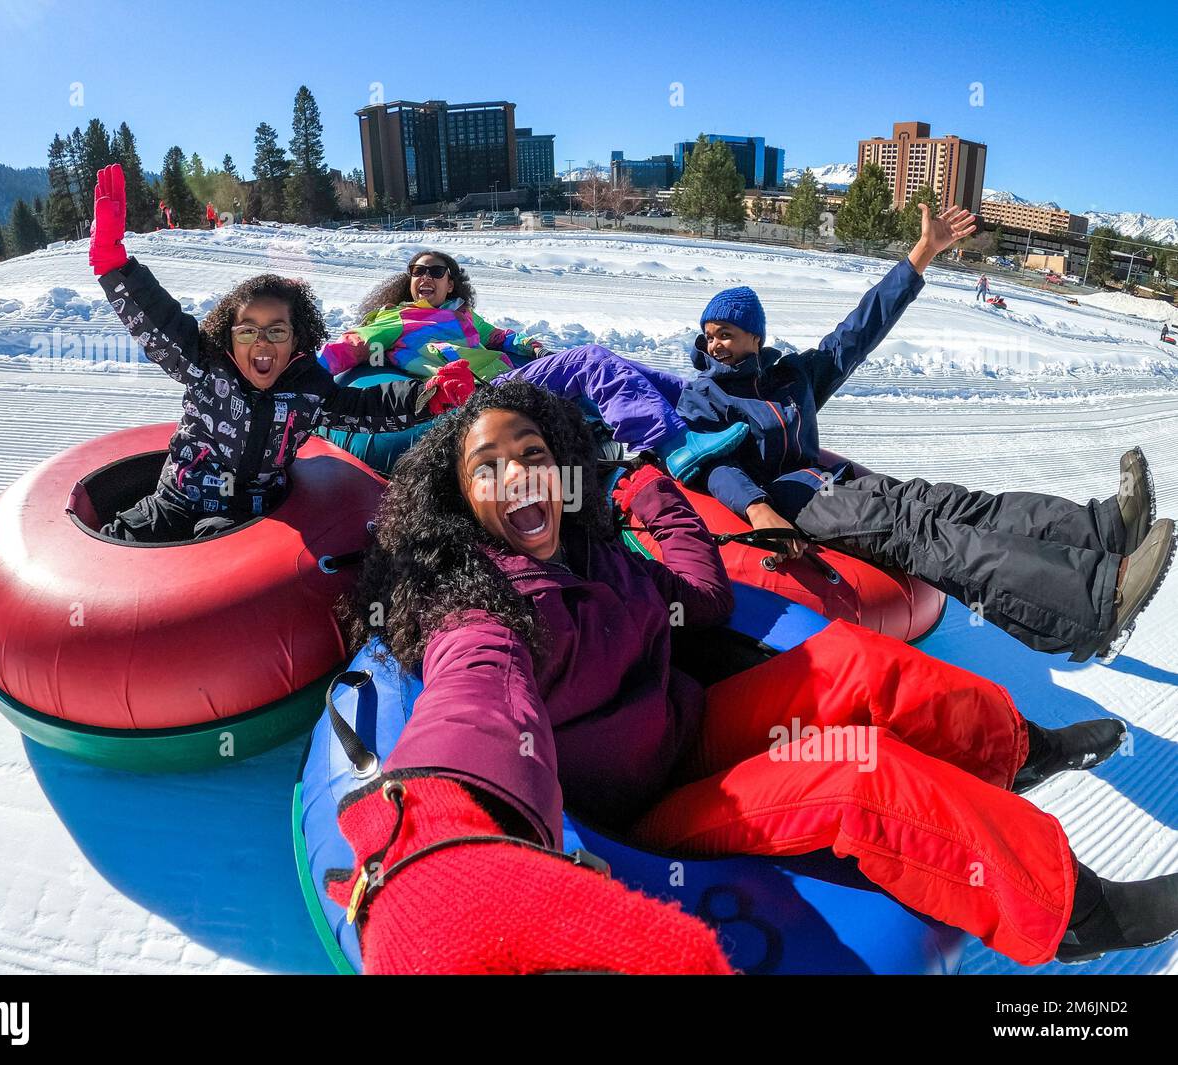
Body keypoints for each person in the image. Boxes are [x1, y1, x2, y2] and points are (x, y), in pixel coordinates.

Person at [327, 379, 1176, 975]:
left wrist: (656, 502)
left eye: (533, 451)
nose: (518, 473)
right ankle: (1076, 912)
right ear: (461, 497)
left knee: (853, 664)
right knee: (858, 771)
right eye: (488, 466)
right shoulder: (479, 603)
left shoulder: (594, 555)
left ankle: (1012, 748)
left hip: (691, 725)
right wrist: (428, 832)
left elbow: (698, 598)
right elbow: (475, 699)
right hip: (641, 817)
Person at [667, 204, 1176, 663]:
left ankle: (1103, 529)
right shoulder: (705, 396)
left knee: (952, 503)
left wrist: (923, 252)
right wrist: (759, 509)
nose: (716, 345)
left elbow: (859, 329)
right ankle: (1094, 600)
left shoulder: (792, 375)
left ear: (756, 336)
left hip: (830, 479)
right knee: (921, 532)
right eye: (709, 336)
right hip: (790, 496)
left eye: (727, 334)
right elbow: (713, 464)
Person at [87, 164, 474, 543]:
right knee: (119, 542)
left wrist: (427, 396)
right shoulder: (205, 365)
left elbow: (366, 408)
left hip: (245, 513)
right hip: (178, 496)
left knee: (225, 577)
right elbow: (160, 320)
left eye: (276, 331)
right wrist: (114, 264)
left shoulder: (310, 389)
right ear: (228, 335)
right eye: (248, 331)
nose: (261, 342)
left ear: (297, 339)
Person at [327, 249, 748, 481]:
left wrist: (528, 343)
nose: (425, 278)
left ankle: (714, 408)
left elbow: (499, 337)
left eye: (435, 272)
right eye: (417, 272)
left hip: (504, 378)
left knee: (620, 366)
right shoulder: (396, 318)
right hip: (477, 395)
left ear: (450, 282)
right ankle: (673, 449)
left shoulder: (463, 317)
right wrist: (301, 374)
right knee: (591, 359)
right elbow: (349, 347)